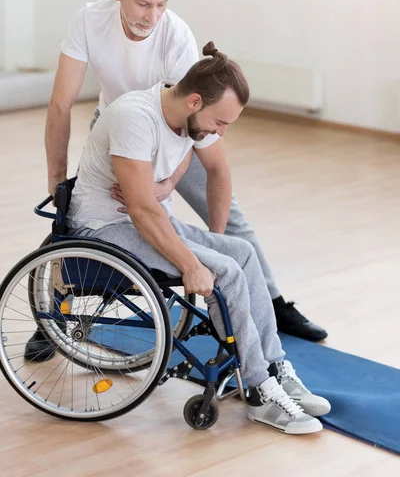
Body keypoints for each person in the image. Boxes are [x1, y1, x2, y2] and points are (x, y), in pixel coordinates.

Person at [25, 0, 327, 362]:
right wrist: (57, 180)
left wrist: (168, 181)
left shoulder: (175, 35)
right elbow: (61, 104)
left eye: (162, 4)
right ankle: (53, 321)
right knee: (77, 221)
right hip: (121, 127)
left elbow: (193, 114)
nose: (152, 16)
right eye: (143, 3)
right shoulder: (89, 21)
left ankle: (270, 301)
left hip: (176, 131)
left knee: (229, 217)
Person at [66, 42, 331, 434]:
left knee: (240, 252)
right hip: (105, 228)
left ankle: (274, 366)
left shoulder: (184, 115)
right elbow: (139, 210)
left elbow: (187, 156)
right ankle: (259, 391)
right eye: (220, 123)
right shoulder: (133, 118)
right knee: (221, 270)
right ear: (194, 101)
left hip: (144, 219)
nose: (220, 133)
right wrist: (192, 264)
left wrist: (170, 183)